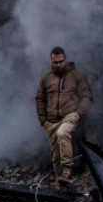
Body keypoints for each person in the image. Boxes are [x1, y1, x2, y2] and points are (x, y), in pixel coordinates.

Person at [35, 46, 92, 184]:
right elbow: (40, 99)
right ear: (51, 61)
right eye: (55, 62)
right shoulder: (46, 79)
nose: (59, 65)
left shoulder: (76, 76)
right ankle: (61, 182)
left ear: (65, 60)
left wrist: (78, 113)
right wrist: (44, 121)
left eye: (61, 61)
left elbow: (87, 97)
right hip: (52, 120)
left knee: (63, 133)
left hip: (70, 116)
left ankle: (67, 172)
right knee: (55, 155)